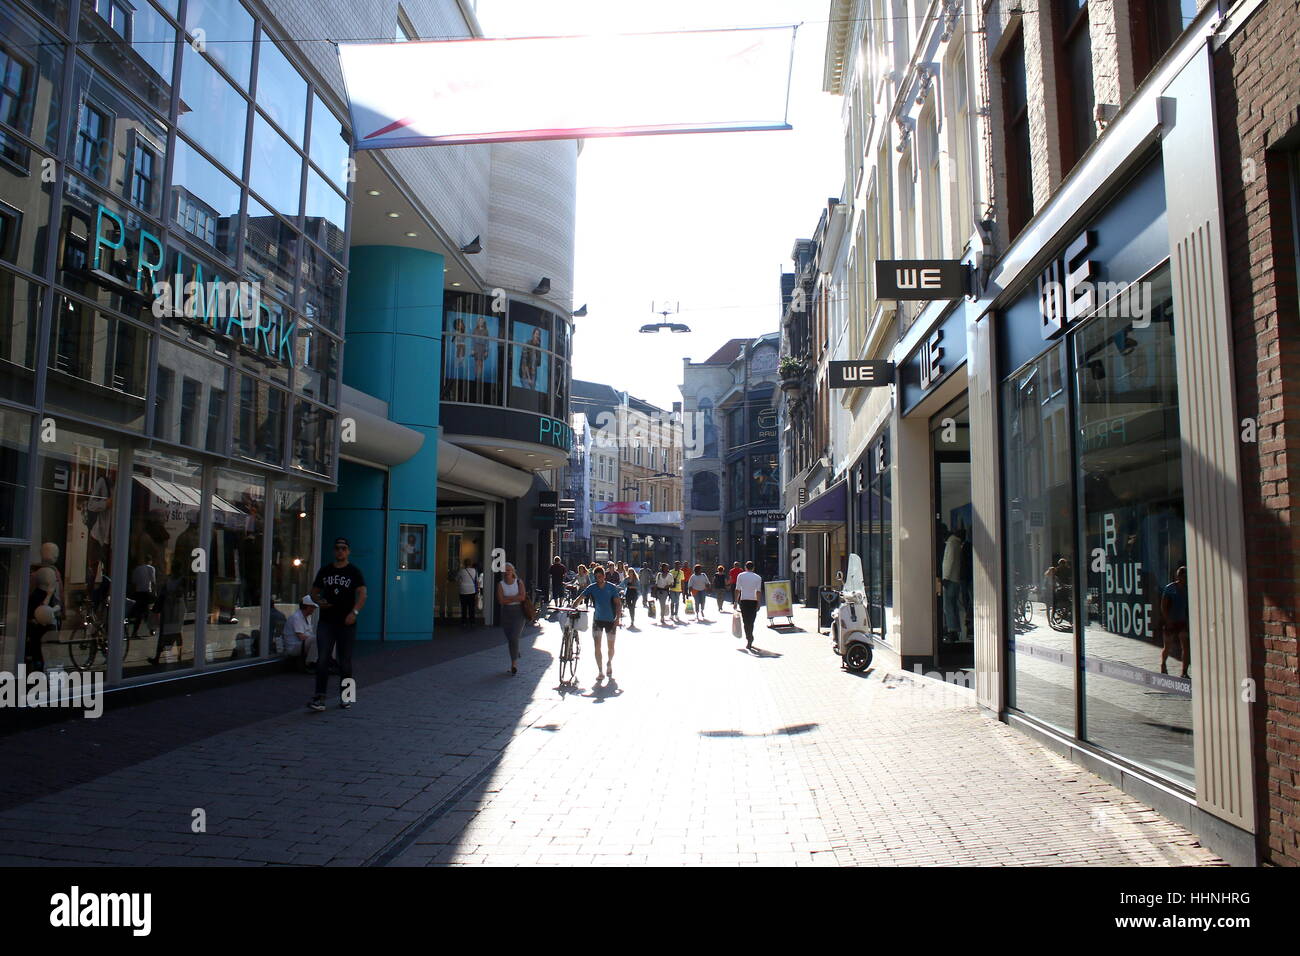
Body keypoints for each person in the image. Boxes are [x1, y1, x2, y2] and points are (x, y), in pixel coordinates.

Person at [308, 538, 367, 712]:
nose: (340, 551)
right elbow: (314, 592)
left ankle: (347, 697)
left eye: (344, 548)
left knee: (345, 661)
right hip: (327, 621)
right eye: (337, 548)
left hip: (346, 622)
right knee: (323, 659)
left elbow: (363, 594)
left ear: (348, 551)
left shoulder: (354, 571)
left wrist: (354, 613)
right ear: (334, 551)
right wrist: (319, 601)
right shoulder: (325, 571)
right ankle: (319, 698)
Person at [575, 565, 622, 681]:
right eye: (596, 577)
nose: (598, 579)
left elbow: (618, 603)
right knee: (597, 646)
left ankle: (609, 662)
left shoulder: (611, 588)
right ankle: (600, 671)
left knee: (611, 647)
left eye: (600, 576)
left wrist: (617, 618)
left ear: (604, 576)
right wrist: (572, 606)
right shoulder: (592, 587)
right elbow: (580, 597)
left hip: (610, 620)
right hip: (597, 620)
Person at [26, 567, 60, 672]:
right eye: (53, 578)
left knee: (47, 653)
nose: (56, 580)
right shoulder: (37, 595)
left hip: (47, 630)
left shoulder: (48, 593)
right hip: (38, 630)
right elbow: (42, 612)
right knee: (38, 652)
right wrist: (49, 596)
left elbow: (56, 607)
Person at [497, 563, 527, 675]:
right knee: (510, 638)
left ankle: (514, 664)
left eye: (509, 570)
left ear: (513, 571)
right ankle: (516, 650)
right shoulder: (500, 584)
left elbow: (522, 597)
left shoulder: (519, 582)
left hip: (518, 613)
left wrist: (508, 598)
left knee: (514, 637)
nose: (507, 572)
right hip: (506, 613)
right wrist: (515, 598)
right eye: (505, 570)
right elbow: (500, 600)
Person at [1160, 565, 1190, 678]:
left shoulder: (1188, 588)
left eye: (1186, 576)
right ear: (1178, 576)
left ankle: (1184, 671)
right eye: (1183, 576)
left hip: (1182, 621)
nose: (1185, 579)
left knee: (1185, 646)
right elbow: (1163, 605)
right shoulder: (1170, 588)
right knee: (1167, 646)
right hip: (1170, 621)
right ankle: (1163, 664)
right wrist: (1167, 620)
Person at [282, 595, 319, 671]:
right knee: (317, 639)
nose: (314, 609)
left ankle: (329, 662)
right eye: (312, 607)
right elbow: (301, 637)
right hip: (293, 647)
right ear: (306, 607)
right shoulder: (296, 617)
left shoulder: (308, 617)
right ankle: (310, 664)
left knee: (323, 639)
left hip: (301, 645)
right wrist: (315, 639)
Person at [734, 560, 763, 649]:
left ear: (745, 567)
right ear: (753, 568)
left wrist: (735, 601)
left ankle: (749, 638)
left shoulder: (741, 576)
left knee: (745, 621)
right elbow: (758, 591)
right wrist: (758, 603)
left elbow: (737, 589)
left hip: (744, 600)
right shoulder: (758, 577)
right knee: (751, 620)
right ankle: (750, 637)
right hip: (753, 601)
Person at [455, 559, 479, 629]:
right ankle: (472, 622)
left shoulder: (461, 571)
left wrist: (461, 581)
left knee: (464, 607)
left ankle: (464, 622)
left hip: (463, 591)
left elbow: (456, 579)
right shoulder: (474, 571)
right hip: (471, 590)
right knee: (471, 607)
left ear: (464, 563)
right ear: (471, 564)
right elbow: (476, 581)